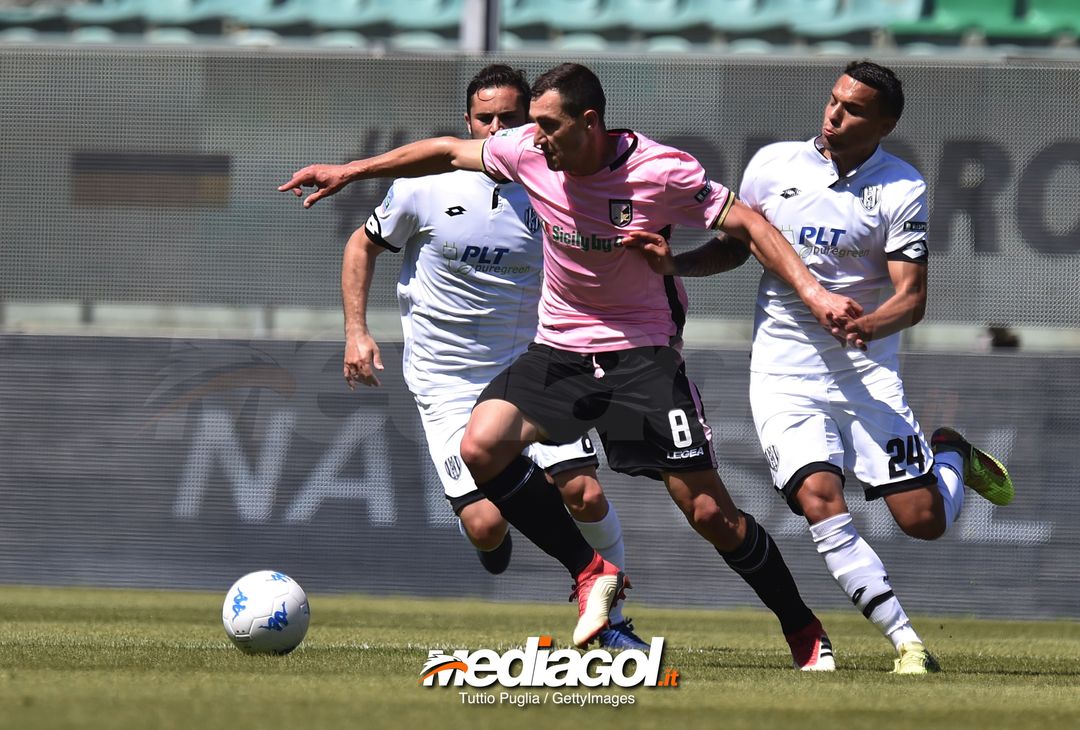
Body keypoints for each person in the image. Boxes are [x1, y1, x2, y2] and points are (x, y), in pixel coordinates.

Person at [281, 63, 862, 668]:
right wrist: (349, 171)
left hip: (642, 356)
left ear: (589, 123)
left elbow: (747, 224)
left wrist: (815, 295)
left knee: (710, 512)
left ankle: (802, 625)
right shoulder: (531, 153)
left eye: (547, 126)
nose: (534, 137)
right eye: (530, 126)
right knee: (483, 448)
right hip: (559, 350)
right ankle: (590, 572)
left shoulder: (660, 170)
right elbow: (449, 151)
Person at [628, 60, 1015, 674]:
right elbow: (735, 247)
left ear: (885, 123)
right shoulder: (773, 165)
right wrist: (675, 264)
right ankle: (906, 642)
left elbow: (911, 300)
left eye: (854, 109)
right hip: (784, 372)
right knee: (818, 496)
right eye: (834, 101)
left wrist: (867, 326)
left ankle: (949, 454)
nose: (835, 114)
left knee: (922, 522)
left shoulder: (901, 187)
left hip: (865, 373)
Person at [341, 64, 648, 650]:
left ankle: (610, 619)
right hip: (447, 379)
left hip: (531, 365)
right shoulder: (424, 185)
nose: (498, 128)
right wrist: (357, 330)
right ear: (468, 122)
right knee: (485, 526)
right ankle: (504, 536)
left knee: (583, 491)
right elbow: (363, 242)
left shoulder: (555, 182)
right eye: (487, 118)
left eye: (511, 117)